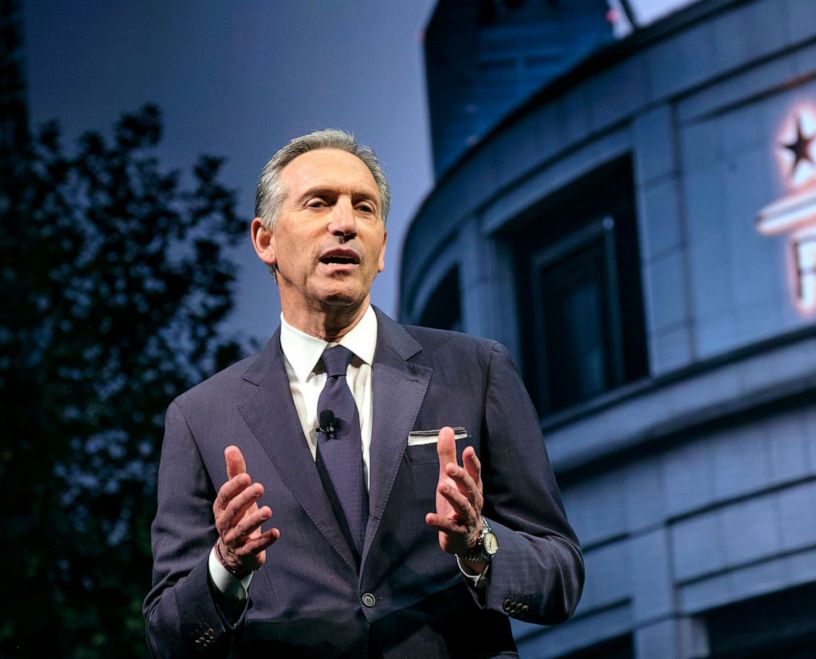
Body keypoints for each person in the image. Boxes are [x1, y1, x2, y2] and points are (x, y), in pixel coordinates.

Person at [143, 129, 584, 657]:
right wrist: (226, 566)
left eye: (365, 208)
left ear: (380, 251)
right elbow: (168, 635)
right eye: (319, 203)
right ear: (265, 241)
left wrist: (479, 546)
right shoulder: (200, 417)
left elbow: (560, 578)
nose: (345, 224)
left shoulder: (475, 369)